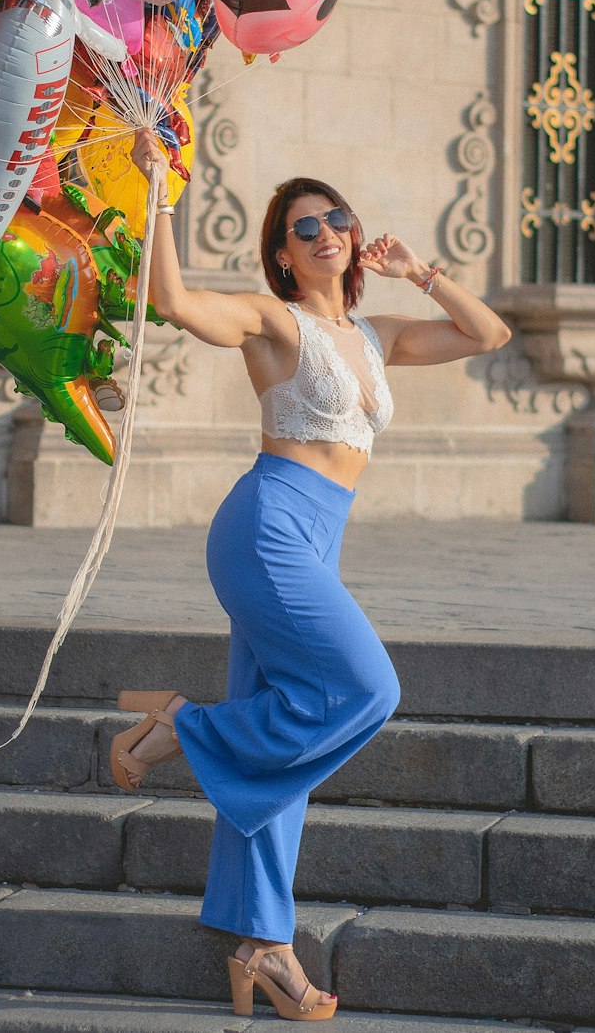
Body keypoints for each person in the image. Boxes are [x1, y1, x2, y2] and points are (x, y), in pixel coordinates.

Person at [111, 127, 511, 1022]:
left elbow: (490, 333)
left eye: (335, 216)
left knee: (286, 760)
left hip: (316, 538)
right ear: (283, 258)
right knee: (368, 689)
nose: (325, 230)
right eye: (303, 226)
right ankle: (184, 729)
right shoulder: (273, 321)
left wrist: (420, 269)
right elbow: (173, 301)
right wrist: (160, 193)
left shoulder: (376, 335)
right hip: (267, 530)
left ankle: (263, 945)